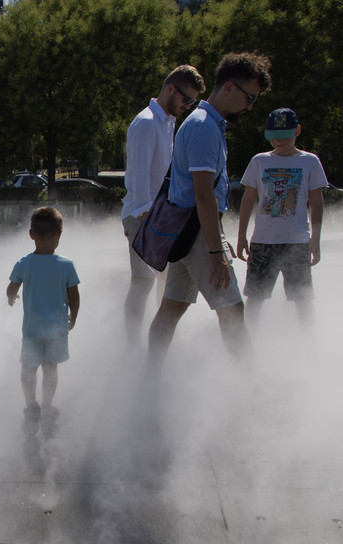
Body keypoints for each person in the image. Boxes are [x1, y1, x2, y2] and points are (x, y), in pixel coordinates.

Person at [146, 52, 272, 373]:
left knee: (171, 309)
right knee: (232, 310)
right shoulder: (204, 127)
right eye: (250, 97)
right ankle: (252, 388)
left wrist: (217, 239)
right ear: (229, 87)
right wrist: (215, 249)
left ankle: (149, 378)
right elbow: (203, 194)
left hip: (188, 233)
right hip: (198, 232)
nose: (250, 106)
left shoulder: (205, 123)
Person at [121, 65, 206, 344]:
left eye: (192, 101)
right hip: (143, 215)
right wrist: (146, 220)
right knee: (142, 282)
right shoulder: (146, 122)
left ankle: (159, 335)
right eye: (187, 99)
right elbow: (138, 177)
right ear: (171, 88)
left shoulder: (167, 121)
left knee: (164, 281)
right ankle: (132, 343)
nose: (188, 105)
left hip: (161, 215)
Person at [236, 108, 327, 326]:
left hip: (296, 242)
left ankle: (308, 342)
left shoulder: (309, 162)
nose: (278, 140)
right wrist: (241, 236)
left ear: (297, 131)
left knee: (302, 299)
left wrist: (316, 238)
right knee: (255, 297)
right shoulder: (259, 161)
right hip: (262, 241)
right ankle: (247, 342)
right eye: (273, 135)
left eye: (285, 134)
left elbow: (316, 202)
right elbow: (248, 200)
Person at [6, 207, 80, 432]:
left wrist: (11, 297)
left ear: (31, 234)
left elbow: (11, 287)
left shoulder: (24, 263)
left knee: (28, 368)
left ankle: (31, 403)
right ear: (59, 234)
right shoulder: (66, 265)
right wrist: (73, 316)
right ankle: (47, 405)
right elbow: (74, 296)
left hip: (31, 330)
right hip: (56, 330)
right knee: (50, 369)